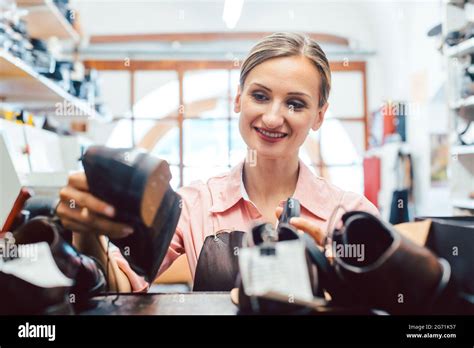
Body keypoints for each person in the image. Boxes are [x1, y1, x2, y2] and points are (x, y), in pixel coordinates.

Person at [57, 32, 379, 292]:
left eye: (295, 104)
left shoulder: (353, 214)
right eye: (260, 96)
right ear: (238, 99)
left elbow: (391, 302)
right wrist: (86, 231)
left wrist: (348, 280)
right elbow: (120, 289)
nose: (271, 117)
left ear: (319, 116)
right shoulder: (191, 205)